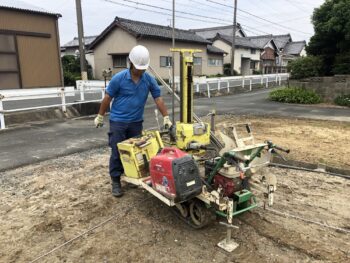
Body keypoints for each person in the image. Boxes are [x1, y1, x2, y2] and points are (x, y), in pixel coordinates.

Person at [94, 45, 172, 197]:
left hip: (136, 122)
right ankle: (116, 180)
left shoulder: (148, 80)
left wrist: (166, 117)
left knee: (137, 151)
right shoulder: (119, 78)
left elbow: (158, 98)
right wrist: (100, 115)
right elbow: (108, 97)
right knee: (117, 151)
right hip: (118, 121)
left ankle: (134, 176)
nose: (141, 70)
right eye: (138, 67)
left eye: (143, 68)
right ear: (130, 62)